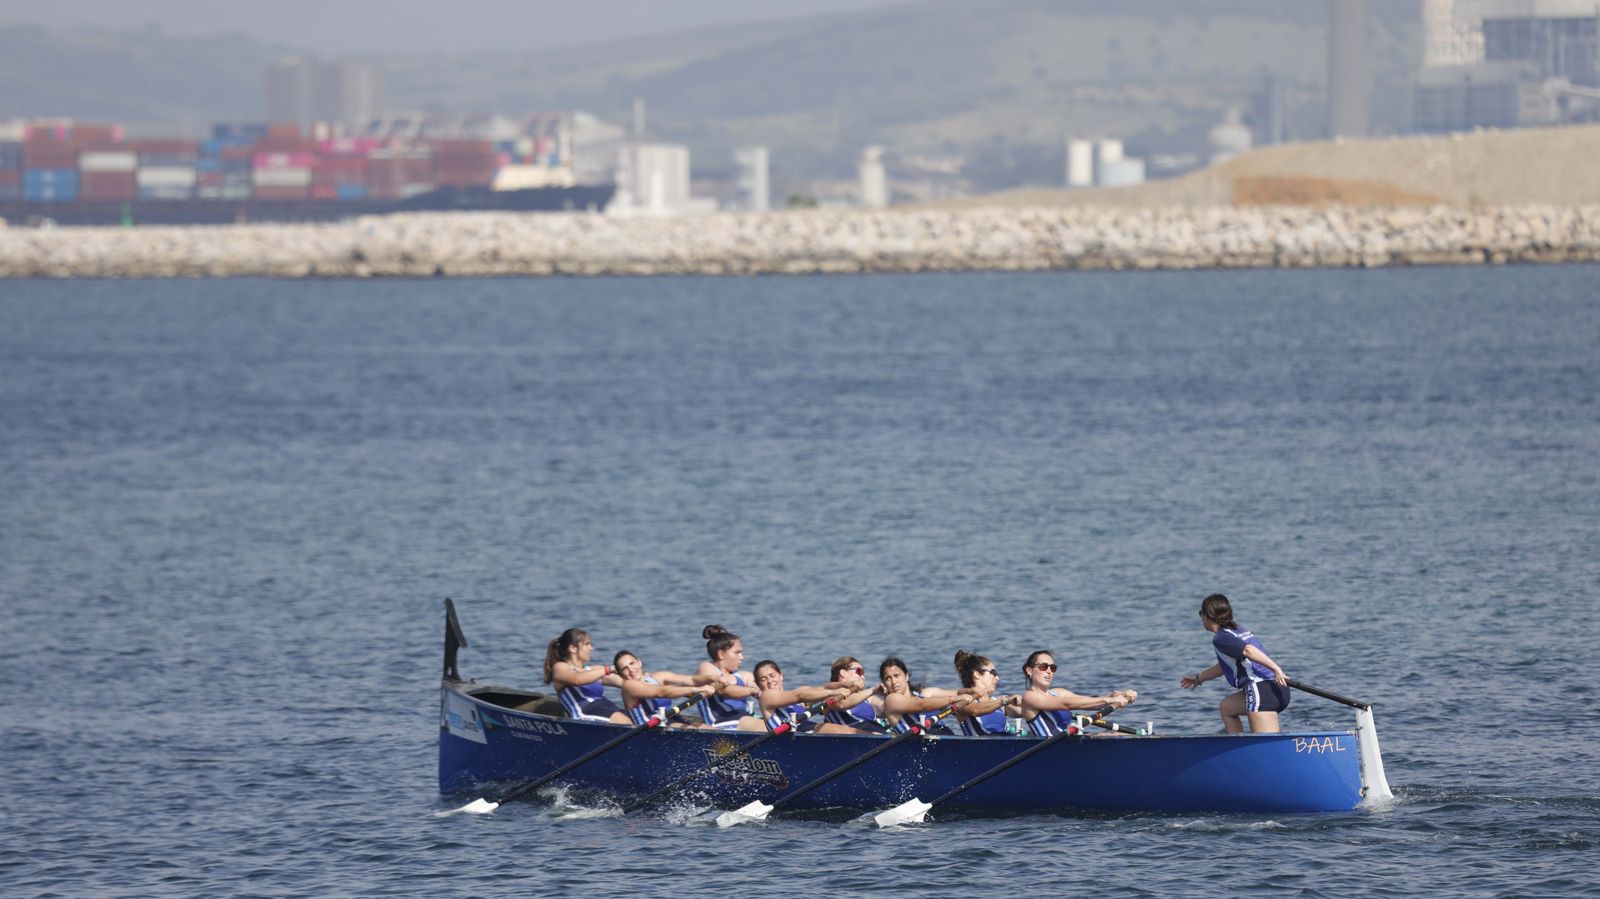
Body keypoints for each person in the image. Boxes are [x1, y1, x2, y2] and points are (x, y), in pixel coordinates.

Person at [1180, 593, 1290, 733]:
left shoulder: (1221, 638)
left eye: (1201, 613)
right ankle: (1235, 746)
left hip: (1261, 690)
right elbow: (1227, 665)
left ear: (1207, 616)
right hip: (1278, 688)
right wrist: (1199, 678)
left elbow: (1249, 650)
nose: (1200, 618)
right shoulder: (1238, 630)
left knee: (1264, 747)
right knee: (1227, 707)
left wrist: (1276, 668)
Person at [1018, 650, 1137, 736]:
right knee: (1112, 736)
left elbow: (1089, 701)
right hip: (1053, 751)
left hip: (1070, 743)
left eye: (1052, 668)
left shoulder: (1059, 692)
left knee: (1120, 735)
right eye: (1043, 667)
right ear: (1029, 671)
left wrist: (1118, 695)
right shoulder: (1029, 697)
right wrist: (1107, 700)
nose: (1049, 671)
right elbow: (1067, 704)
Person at [612, 650, 725, 727]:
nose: (631, 669)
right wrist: (695, 690)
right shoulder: (629, 686)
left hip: (670, 721)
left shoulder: (657, 677)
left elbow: (692, 680)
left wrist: (714, 677)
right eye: (624, 669)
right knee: (699, 730)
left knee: (706, 728)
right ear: (620, 674)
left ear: (639, 662)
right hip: (651, 731)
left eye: (632, 663)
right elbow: (661, 692)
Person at [543, 627, 629, 724]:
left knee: (635, 716)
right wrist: (608, 669)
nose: (591, 648)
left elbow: (624, 682)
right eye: (587, 644)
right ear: (573, 648)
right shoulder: (560, 667)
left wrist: (644, 678)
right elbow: (577, 679)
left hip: (606, 707)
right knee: (623, 721)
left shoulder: (593, 670)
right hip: (585, 713)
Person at [751, 660, 856, 734]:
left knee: (849, 729)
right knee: (844, 731)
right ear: (758, 684)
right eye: (763, 679)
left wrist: (846, 684)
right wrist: (834, 692)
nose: (770, 681)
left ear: (781, 676)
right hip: (790, 740)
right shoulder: (765, 698)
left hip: (806, 733)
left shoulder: (792, 698)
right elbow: (800, 695)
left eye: (772, 676)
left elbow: (824, 687)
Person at [694, 624, 766, 731]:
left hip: (743, 719)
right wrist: (752, 691)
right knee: (760, 724)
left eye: (741, 653)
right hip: (719, 723)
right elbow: (724, 690)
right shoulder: (706, 668)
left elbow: (761, 691)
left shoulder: (745, 676)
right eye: (737, 653)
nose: (742, 657)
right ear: (721, 654)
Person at [877, 657, 961, 735]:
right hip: (918, 743)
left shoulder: (926, 693)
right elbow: (921, 705)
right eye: (888, 678)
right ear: (884, 683)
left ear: (906, 676)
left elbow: (959, 692)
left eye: (897, 676)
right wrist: (953, 700)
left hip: (945, 735)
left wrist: (969, 692)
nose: (894, 682)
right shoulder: (891, 701)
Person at [951, 650, 1022, 736]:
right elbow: (975, 710)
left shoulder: (997, 701)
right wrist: (1005, 701)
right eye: (993, 673)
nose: (997, 678)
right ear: (976, 674)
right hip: (980, 747)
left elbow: (1023, 711)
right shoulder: (961, 701)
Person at [821, 657, 889, 732]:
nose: (863, 677)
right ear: (843, 673)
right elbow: (843, 704)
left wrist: (891, 694)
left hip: (875, 732)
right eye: (859, 672)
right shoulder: (830, 693)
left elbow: (885, 708)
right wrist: (873, 690)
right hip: (851, 737)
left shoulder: (868, 698)